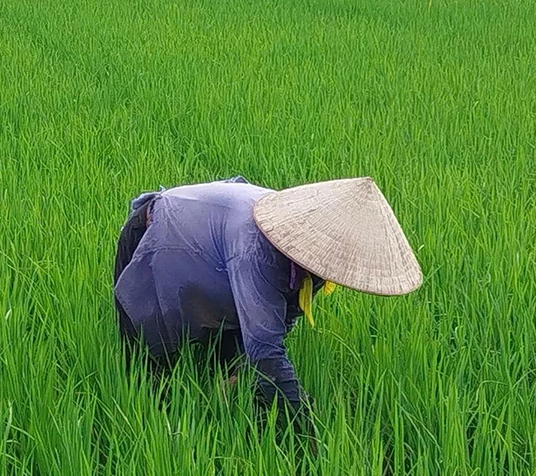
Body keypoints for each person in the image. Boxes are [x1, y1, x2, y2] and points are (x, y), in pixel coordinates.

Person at [112, 176, 423, 416]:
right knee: (148, 361)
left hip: (211, 250)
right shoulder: (257, 247)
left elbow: (283, 314)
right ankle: (164, 430)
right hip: (157, 234)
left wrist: (245, 370)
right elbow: (266, 349)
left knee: (228, 356)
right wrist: (304, 422)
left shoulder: (308, 254)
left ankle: (212, 406)